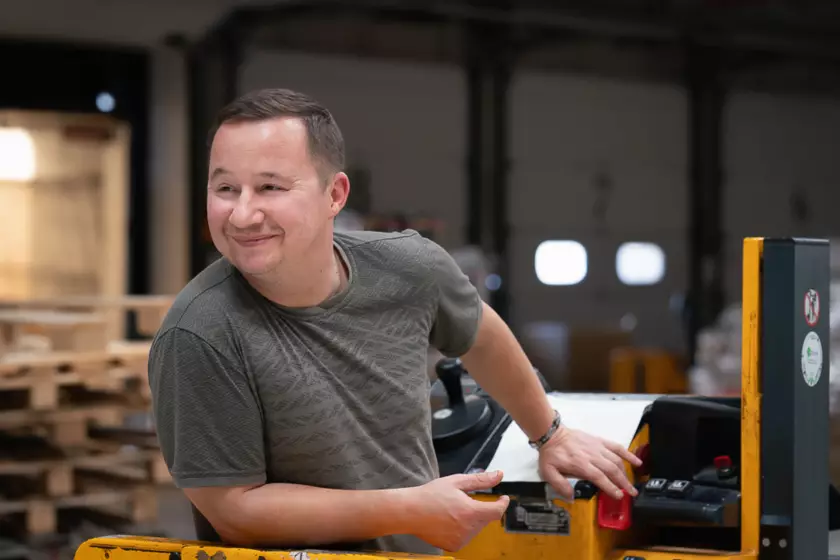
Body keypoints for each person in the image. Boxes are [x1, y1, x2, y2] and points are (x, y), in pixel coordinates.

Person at [147, 88, 642, 555]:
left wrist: (550, 434)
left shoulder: (410, 268)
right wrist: (408, 509)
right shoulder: (200, 334)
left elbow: (483, 336)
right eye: (226, 188)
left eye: (271, 187)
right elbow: (235, 510)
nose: (242, 214)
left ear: (334, 195)